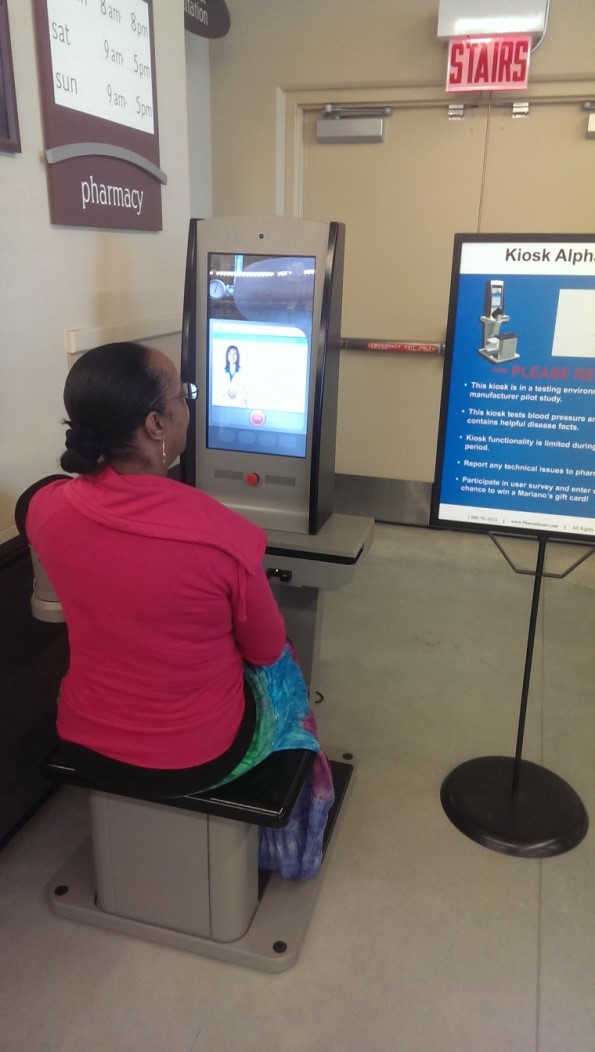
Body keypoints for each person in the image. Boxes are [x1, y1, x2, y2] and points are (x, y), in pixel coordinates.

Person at [25, 342, 333, 879]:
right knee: (282, 661)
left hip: (86, 734)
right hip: (200, 754)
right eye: (183, 395)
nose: (189, 404)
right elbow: (261, 649)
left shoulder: (46, 508)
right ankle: (295, 832)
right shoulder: (225, 536)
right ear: (155, 424)